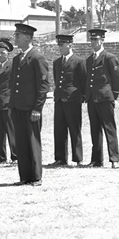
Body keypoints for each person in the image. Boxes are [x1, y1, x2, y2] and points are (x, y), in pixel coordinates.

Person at [9, 23, 50, 186]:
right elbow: (13, 85)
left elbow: (43, 86)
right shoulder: (17, 58)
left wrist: (37, 108)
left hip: (31, 109)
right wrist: (12, 106)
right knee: (21, 142)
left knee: (32, 142)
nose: (15, 39)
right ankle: (25, 176)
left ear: (27, 37)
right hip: (18, 107)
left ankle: (36, 176)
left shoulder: (37, 57)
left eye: (17, 36)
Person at [85, 29, 119, 169]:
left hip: (105, 99)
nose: (93, 42)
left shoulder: (109, 58)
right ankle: (96, 160)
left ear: (102, 40)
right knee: (95, 130)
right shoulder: (89, 60)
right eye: (92, 40)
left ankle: (114, 159)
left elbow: (118, 79)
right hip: (92, 99)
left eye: (96, 39)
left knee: (109, 129)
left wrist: (113, 96)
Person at [53, 34, 86, 167]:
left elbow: (83, 80)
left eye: (62, 45)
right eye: (59, 45)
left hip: (73, 99)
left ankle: (78, 158)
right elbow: (57, 80)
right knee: (59, 130)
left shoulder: (79, 61)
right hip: (60, 99)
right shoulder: (56, 62)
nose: (60, 47)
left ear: (70, 45)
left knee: (74, 128)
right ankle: (60, 158)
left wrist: (81, 97)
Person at [0, 39, 17, 164]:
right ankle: (0, 157)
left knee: (11, 130)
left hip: (7, 103)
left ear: (8, 54)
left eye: (2, 53)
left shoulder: (12, 66)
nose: (0, 55)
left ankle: (15, 156)